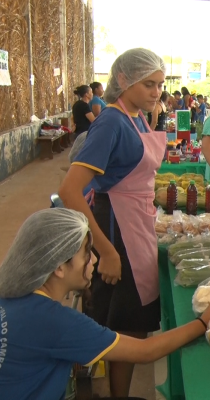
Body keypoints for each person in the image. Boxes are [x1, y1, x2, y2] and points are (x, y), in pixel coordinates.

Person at [0, 208, 210, 399]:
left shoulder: (16, 296)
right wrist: (203, 321)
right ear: (59, 267)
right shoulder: (54, 320)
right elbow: (145, 350)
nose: (94, 260)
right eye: (86, 254)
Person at [58, 48, 169, 398]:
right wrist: (106, 251)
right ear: (123, 80)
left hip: (138, 223)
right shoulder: (111, 121)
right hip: (118, 230)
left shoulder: (136, 116)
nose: (156, 92)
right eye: (148, 84)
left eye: (160, 85)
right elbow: (70, 190)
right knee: (123, 325)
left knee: (134, 324)